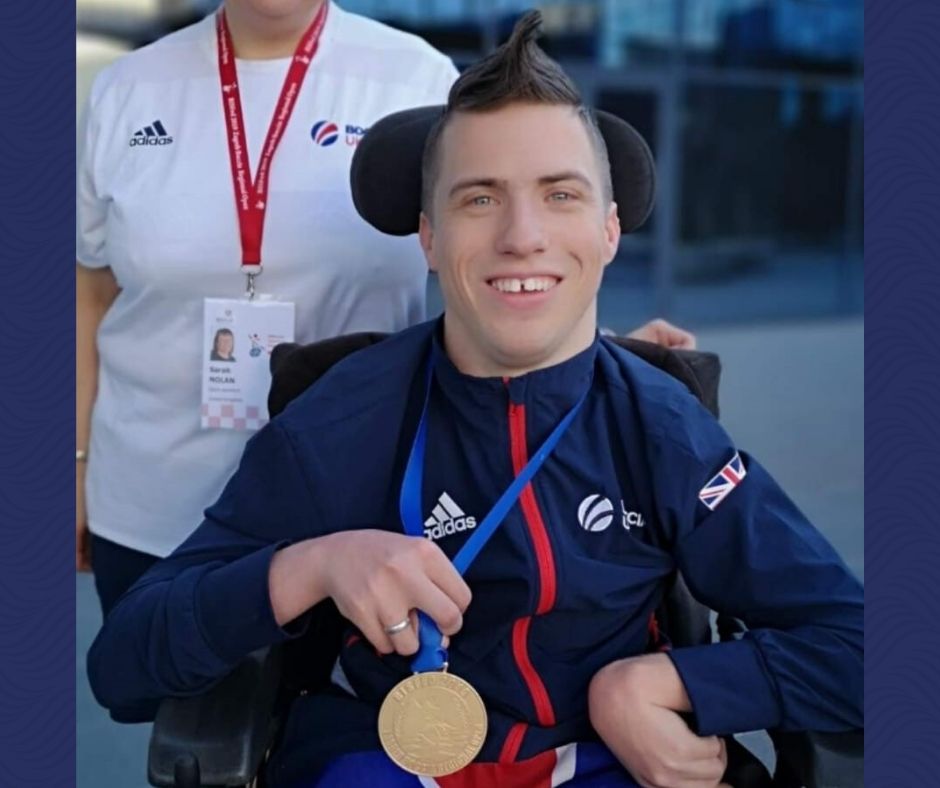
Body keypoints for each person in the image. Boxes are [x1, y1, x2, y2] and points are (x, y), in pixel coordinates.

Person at [88, 12, 862, 788]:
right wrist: (307, 567)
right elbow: (123, 663)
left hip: (609, 754)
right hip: (380, 759)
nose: (522, 235)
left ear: (610, 230)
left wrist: (664, 687)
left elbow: (861, 641)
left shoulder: (658, 427)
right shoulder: (339, 420)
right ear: (427, 236)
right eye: (480, 199)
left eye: (560, 194)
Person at [76, 0, 693, 616]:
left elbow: (501, 257)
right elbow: (88, 297)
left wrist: (593, 358)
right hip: (148, 504)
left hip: (362, 507)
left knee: (342, 704)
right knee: (163, 685)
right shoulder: (127, 89)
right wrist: (69, 468)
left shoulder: (415, 79)